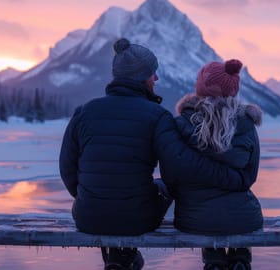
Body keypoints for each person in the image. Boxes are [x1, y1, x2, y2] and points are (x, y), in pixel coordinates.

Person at [59, 38, 257, 270]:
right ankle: (123, 258)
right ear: (141, 77)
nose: (157, 78)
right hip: (138, 218)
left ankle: (118, 259)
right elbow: (180, 164)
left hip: (87, 216)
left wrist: (88, 197)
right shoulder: (156, 116)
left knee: (114, 199)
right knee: (162, 187)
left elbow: (67, 169)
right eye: (153, 74)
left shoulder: (84, 112)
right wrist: (235, 179)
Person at [172, 59, 264, 270]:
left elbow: (174, 175)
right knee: (236, 221)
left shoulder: (182, 123)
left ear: (203, 86)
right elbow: (251, 175)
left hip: (193, 217)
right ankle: (240, 256)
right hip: (245, 217)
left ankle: (214, 260)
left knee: (207, 220)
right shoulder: (247, 124)